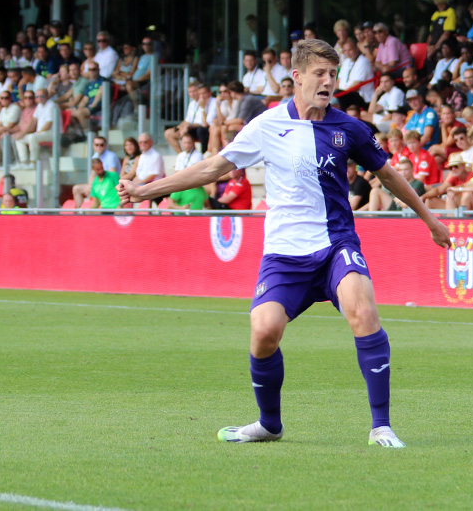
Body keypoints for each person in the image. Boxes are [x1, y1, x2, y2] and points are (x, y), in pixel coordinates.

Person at [117, 39, 450, 448]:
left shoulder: (349, 128)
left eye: (334, 74)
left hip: (335, 246)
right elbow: (213, 167)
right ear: (297, 77)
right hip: (284, 255)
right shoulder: (266, 125)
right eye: (320, 74)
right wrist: (148, 189)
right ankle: (269, 424)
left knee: (363, 312)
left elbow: (389, 175)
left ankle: (381, 425)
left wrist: (430, 219)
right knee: (263, 332)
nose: (329, 82)